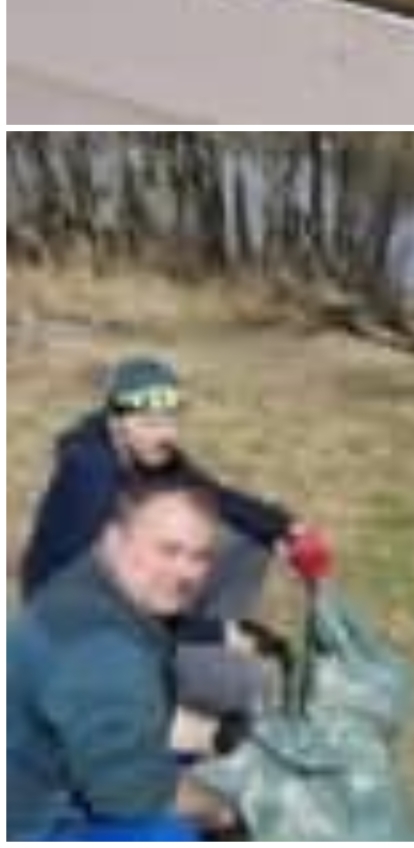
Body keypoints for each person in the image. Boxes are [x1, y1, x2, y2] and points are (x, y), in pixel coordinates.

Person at [19, 356, 326, 722]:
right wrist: (215, 633)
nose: (165, 435)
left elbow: (212, 496)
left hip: (136, 600)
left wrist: (285, 528)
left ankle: (195, 655)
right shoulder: (92, 482)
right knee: (256, 688)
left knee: (245, 540)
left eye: (170, 422)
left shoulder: (152, 455)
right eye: (149, 423)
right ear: (117, 421)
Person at [8, 481, 244, 842]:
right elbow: (131, 796)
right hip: (28, 822)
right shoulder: (103, 650)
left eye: (201, 556)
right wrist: (226, 812)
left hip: (44, 765)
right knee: (171, 834)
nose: (187, 573)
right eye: (168, 550)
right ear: (114, 539)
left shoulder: (90, 581)